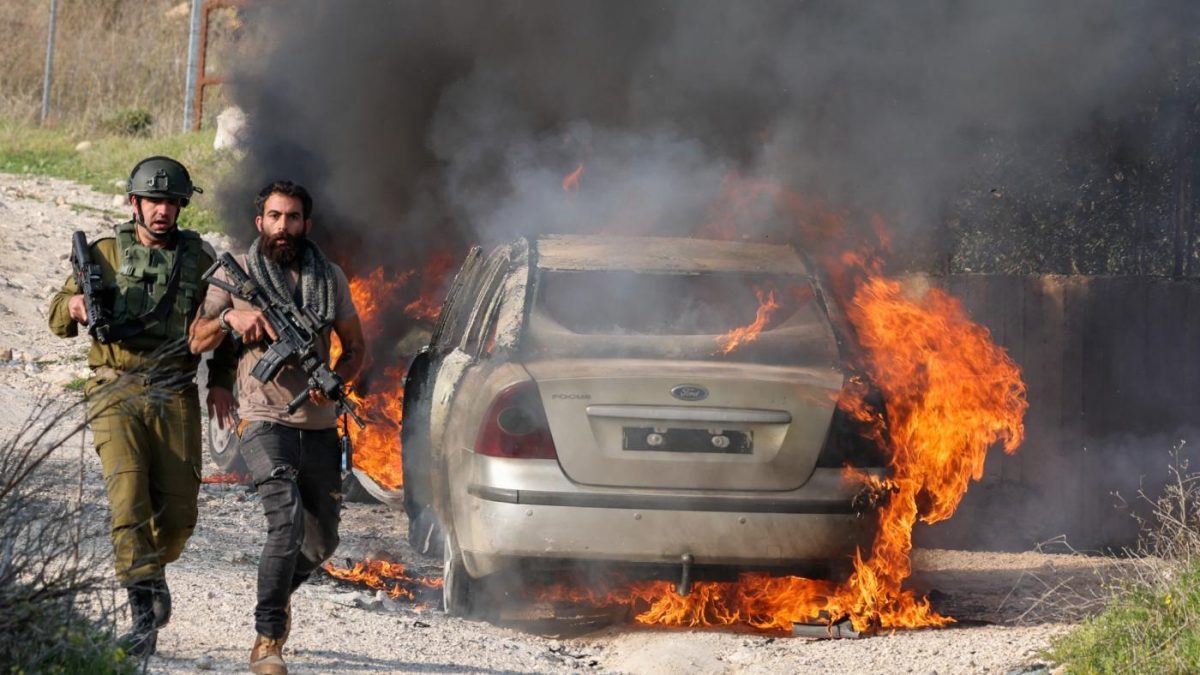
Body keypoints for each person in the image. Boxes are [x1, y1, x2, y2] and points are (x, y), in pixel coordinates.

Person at [48, 156, 237, 656]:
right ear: (135, 203)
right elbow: (56, 317)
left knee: (178, 515)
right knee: (128, 496)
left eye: (171, 203)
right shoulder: (104, 253)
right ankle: (142, 613)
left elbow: (226, 325)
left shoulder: (200, 260)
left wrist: (220, 381)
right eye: (153, 201)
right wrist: (74, 305)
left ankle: (150, 569)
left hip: (174, 388)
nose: (161, 211)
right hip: (115, 386)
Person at [188, 180, 365, 675]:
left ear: (306, 224)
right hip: (263, 418)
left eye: (292, 217)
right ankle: (268, 639)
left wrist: (335, 383)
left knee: (321, 541)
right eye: (274, 216)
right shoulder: (237, 274)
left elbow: (355, 349)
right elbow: (195, 340)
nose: (282, 226)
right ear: (259, 221)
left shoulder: (329, 277)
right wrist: (230, 318)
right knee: (284, 520)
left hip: (319, 423)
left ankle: (276, 588)